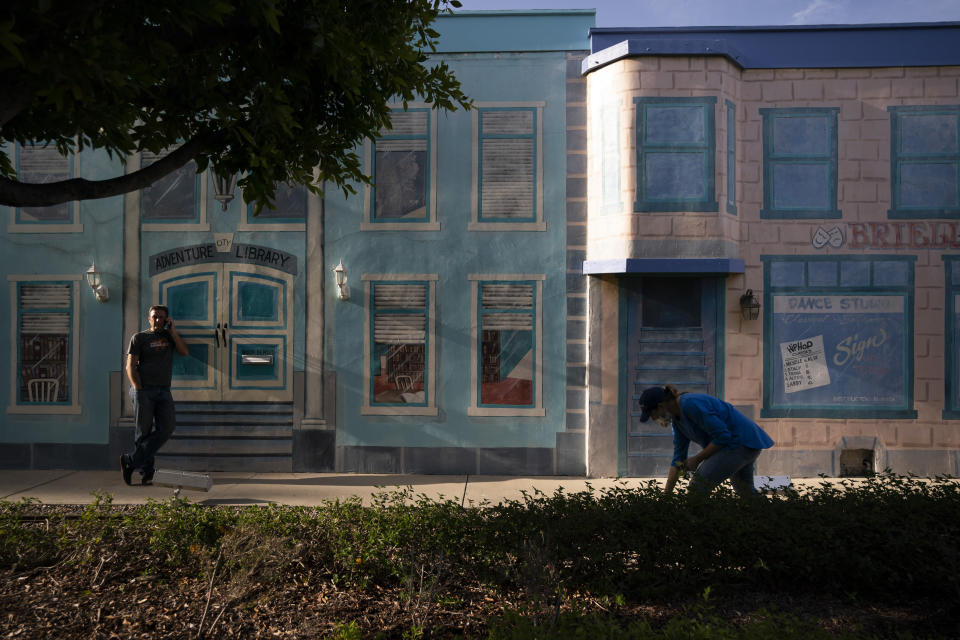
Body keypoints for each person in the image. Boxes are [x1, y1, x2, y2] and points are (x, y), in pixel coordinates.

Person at [637, 384, 774, 495]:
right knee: (745, 492)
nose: (654, 419)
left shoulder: (690, 404)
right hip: (746, 444)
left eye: (652, 414)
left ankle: (702, 527)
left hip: (739, 443)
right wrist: (666, 496)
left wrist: (697, 459)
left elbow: (723, 436)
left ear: (661, 405)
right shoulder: (677, 421)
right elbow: (678, 459)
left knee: (697, 489)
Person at [120, 305, 188, 485]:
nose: (157, 320)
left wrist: (172, 332)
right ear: (149, 318)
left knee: (167, 428)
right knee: (143, 432)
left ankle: (130, 461)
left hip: (164, 390)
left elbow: (184, 351)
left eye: (161, 317)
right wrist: (138, 389)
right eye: (154, 317)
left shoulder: (168, 337)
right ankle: (147, 472)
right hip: (144, 390)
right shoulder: (139, 338)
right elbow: (130, 366)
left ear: (167, 320)